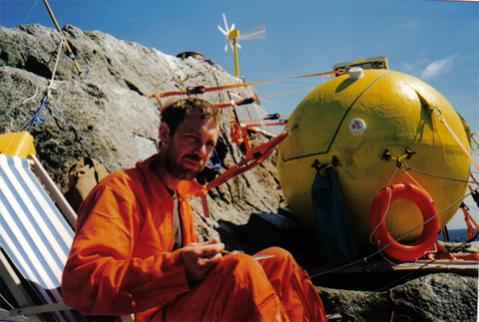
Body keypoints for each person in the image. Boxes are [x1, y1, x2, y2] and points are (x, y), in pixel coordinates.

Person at [62, 97, 327, 321]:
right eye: (191, 138)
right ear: (165, 135)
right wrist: (179, 267)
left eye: (209, 144)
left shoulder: (179, 197)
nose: (201, 151)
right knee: (240, 269)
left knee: (278, 260)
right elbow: (81, 284)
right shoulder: (121, 191)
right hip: (145, 314)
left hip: (177, 307)